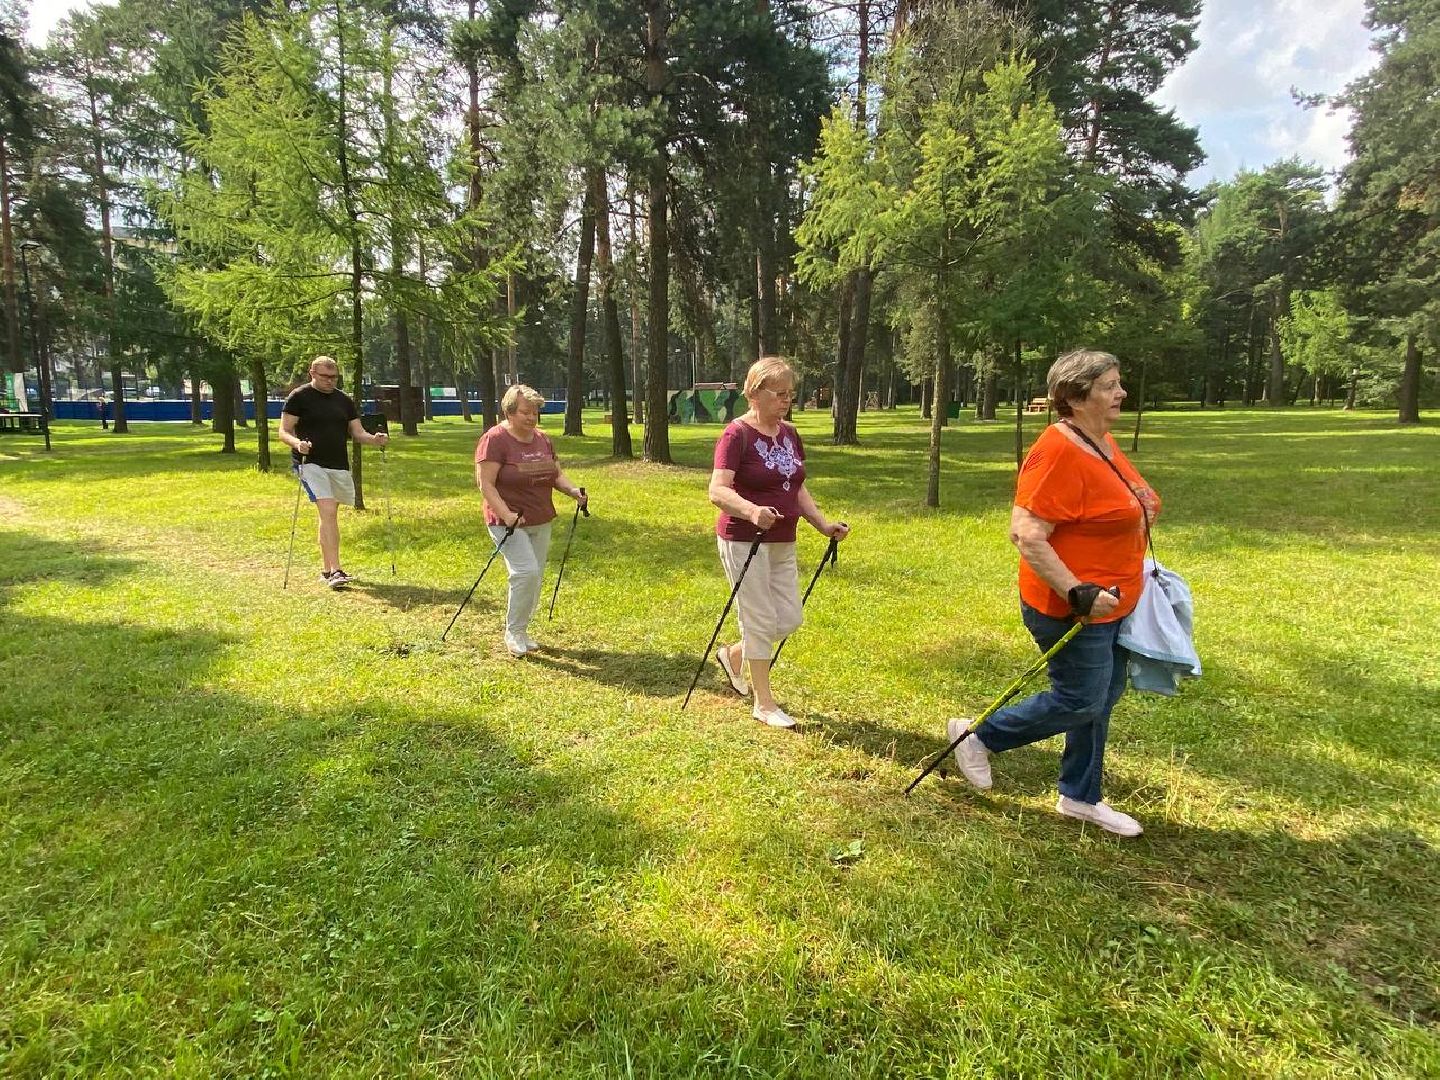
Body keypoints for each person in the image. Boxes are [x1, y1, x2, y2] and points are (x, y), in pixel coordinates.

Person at [946, 349, 1160, 836]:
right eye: (1109, 386)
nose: (1121, 393)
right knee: (1082, 699)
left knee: (1102, 697)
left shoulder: (1098, 439)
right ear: (1076, 396)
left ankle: (1080, 795)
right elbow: (1026, 534)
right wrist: (1077, 591)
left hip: (1115, 601)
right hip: (1072, 607)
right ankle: (978, 737)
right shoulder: (1058, 451)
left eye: (1118, 383)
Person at [707, 356, 850, 728]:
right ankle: (764, 704)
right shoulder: (736, 434)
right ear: (755, 393)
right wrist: (751, 511)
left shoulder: (789, 433)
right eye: (780, 393)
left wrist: (822, 524)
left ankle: (733, 656)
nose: (787, 400)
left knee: (788, 617)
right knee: (759, 619)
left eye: (790, 393)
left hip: (783, 540)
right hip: (745, 539)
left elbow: (796, 487)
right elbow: (717, 490)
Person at [475, 384, 588, 657]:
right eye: (525, 412)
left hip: (540, 516)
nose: (531, 418)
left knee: (535, 577)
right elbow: (485, 484)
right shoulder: (494, 439)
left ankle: (523, 630)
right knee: (525, 572)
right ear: (509, 412)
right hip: (507, 521)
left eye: (535, 413)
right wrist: (507, 515)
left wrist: (573, 491)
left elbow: (555, 475)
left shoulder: (543, 440)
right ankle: (513, 633)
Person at [278, 355, 389, 588]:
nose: (330, 381)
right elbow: (284, 431)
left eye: (334, 377)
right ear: (312, 373)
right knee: (327, 510)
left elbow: (357, 433)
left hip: (338, 463)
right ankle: (337, 570)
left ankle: (327, 570)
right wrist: (297, 444)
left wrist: (375, 439)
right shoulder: (299, 397)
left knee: (328, 516)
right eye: (325, 376)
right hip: (309, 462)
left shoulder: (343, 400)